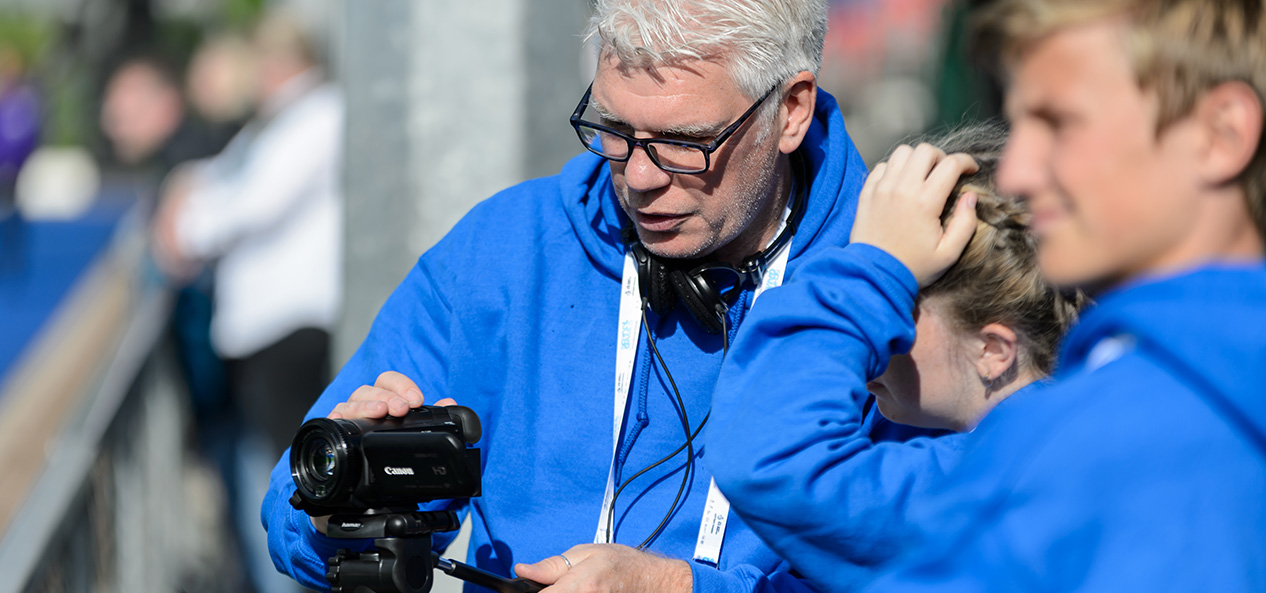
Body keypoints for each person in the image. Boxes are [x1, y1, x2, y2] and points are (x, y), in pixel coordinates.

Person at [262, 1, 881, 591]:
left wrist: (677, 588)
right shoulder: (506, 250)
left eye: (683, 142)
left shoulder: (892, 289)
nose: (639, 177)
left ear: (791, 111)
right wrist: (340, 503)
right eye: (614, 129)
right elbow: (289, 509)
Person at [850, 0, 1263, 590]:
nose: (1018, 170)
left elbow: (779, 469)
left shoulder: (1087, 445)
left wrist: (868, 270)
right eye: (1018, 123)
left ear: (1221, 133)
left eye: (1060, 123)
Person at [707, 122, 1085, 593]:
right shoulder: (1074, 443)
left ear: (993, 350)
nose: (871, 346)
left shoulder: (1016, 480)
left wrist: (871, 273)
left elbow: (765, 455)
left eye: (895, 309)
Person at [151, 10, 342, 593]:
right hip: (266, 331)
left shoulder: (317, 115)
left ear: (280, 60)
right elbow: (219, 179)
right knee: (272, 476)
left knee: (288, 485)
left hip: (288, 329)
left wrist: (185, 230)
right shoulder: (283, 119)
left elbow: (253, 202)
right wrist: (187, 195)